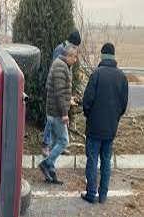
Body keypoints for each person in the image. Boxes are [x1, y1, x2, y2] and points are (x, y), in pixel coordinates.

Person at [81, 43, 128, 204]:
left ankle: (91, 194)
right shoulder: (122, 77)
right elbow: (123, 105)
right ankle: (103, 195)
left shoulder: (96, 74)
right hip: (110, 128)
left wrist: (89, 115)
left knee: (93, 159)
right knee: (106, 161)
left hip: (94, 127)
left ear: (102, 55)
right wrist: (114, 118)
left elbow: (87, 101)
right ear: (113, 56)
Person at [39, 44, 78, 184]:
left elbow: (59, 90)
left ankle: (50, 173)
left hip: (53, 110)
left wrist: (69, 99)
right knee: (63, 141)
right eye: (74, 57)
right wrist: (64, 113)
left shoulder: (60, 65)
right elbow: (60, 93)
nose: (75, 60)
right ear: (68, 56)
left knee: (55, 142)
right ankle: (47, 163)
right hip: (57, 112)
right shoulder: (61, 67)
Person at [42, 29, 81, 156]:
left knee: (56, 119)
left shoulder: (67, 50)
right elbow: (57, 72)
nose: (76, 50)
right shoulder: (61, 49)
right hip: (55, 88)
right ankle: (46, 145)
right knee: (52, 119)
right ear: (71, 43)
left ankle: (59, 145)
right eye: (75, 46)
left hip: (60, 88)